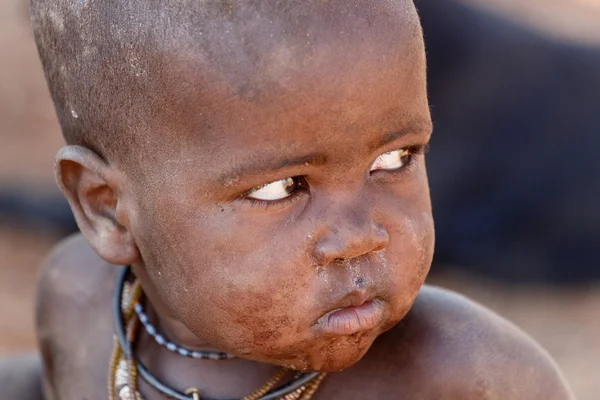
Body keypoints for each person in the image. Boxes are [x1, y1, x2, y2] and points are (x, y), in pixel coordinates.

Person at [0, 1, 574, 399]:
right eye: (280, 188)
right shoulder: (76, 305)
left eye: (393, 159)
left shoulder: (468, 376)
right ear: (105, 208)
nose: (360, 236)